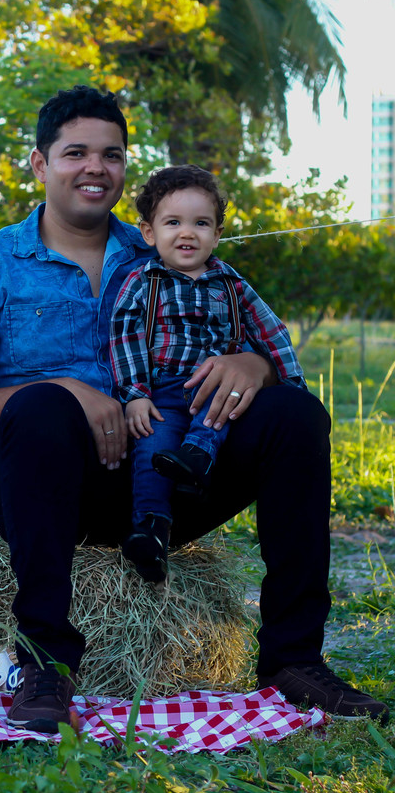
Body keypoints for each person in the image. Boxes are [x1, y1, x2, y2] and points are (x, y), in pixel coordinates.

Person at [0, 85, 389, 733]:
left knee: (294, 415)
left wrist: (257, 366)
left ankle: (293, 659)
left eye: (111, 155)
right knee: (46, 408)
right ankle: (44, 661)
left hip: (161, 481)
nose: (94, 167)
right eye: (74, 152)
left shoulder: (164, 249)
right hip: (42, 485)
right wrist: (65, 392)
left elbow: (252, 331)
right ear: (38, 162)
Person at [110, 165, 305, 584]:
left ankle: (197, 455)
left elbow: (271, 331)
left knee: (217, 418)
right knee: (152, 446)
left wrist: (293, 384)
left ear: (217, 235)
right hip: (161, 390)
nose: (187, 233)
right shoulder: (143, 282)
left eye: (201, 224)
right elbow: (124, 337)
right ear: (149, 233)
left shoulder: (231, 283)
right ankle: (152, 528)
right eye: (173, 223)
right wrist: (135, 394)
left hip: (216, 386)